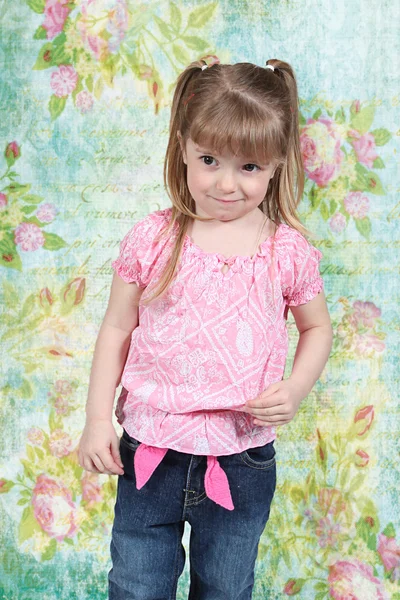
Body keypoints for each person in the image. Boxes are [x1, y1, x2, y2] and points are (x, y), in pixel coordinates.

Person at [78, 56, 333, 600]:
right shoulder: (153, 239)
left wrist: (295, 388)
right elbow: (117, 329)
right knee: (135, 584)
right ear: (183, 146)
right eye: (209, 159)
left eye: (249, 167)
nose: (225, 183)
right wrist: (99, 417)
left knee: (225, 586)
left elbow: (316, 329)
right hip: (151, 451)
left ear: (277, 163)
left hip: (241, 458)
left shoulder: (286, 252)